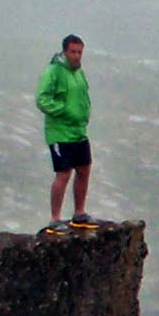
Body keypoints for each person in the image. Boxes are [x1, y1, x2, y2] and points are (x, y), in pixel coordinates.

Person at [35, 34, 98, 232]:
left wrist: (84, 114)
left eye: (79, 52)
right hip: (60, 132)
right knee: (63, 173)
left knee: (84, 168)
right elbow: (42, 99)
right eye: (73, 52)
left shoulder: (79, 73)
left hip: (78, 130)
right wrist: (63, 111)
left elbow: (83, 97)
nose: (77, 56)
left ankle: (79, 214)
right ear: (64, 51)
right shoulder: (53, 71)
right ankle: (55, 219)